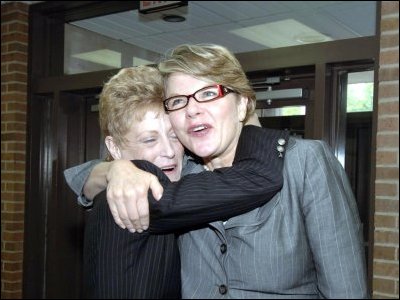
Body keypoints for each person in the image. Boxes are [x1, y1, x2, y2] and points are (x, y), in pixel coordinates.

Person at [67, 44, 368, 298]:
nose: (192, 109)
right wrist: (115, 169)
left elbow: (345, 288)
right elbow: (91, 182)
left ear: (242, 106)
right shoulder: (178, 173)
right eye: (178, 101)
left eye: (208, 94)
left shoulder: (304, 162)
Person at [65, 65, 287, 298]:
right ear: (114, 147)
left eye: (174, 135)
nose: (169, 151)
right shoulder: (137, 193)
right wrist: (247, 112)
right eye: (150, 140)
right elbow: (255, 176)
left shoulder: (174, 174)